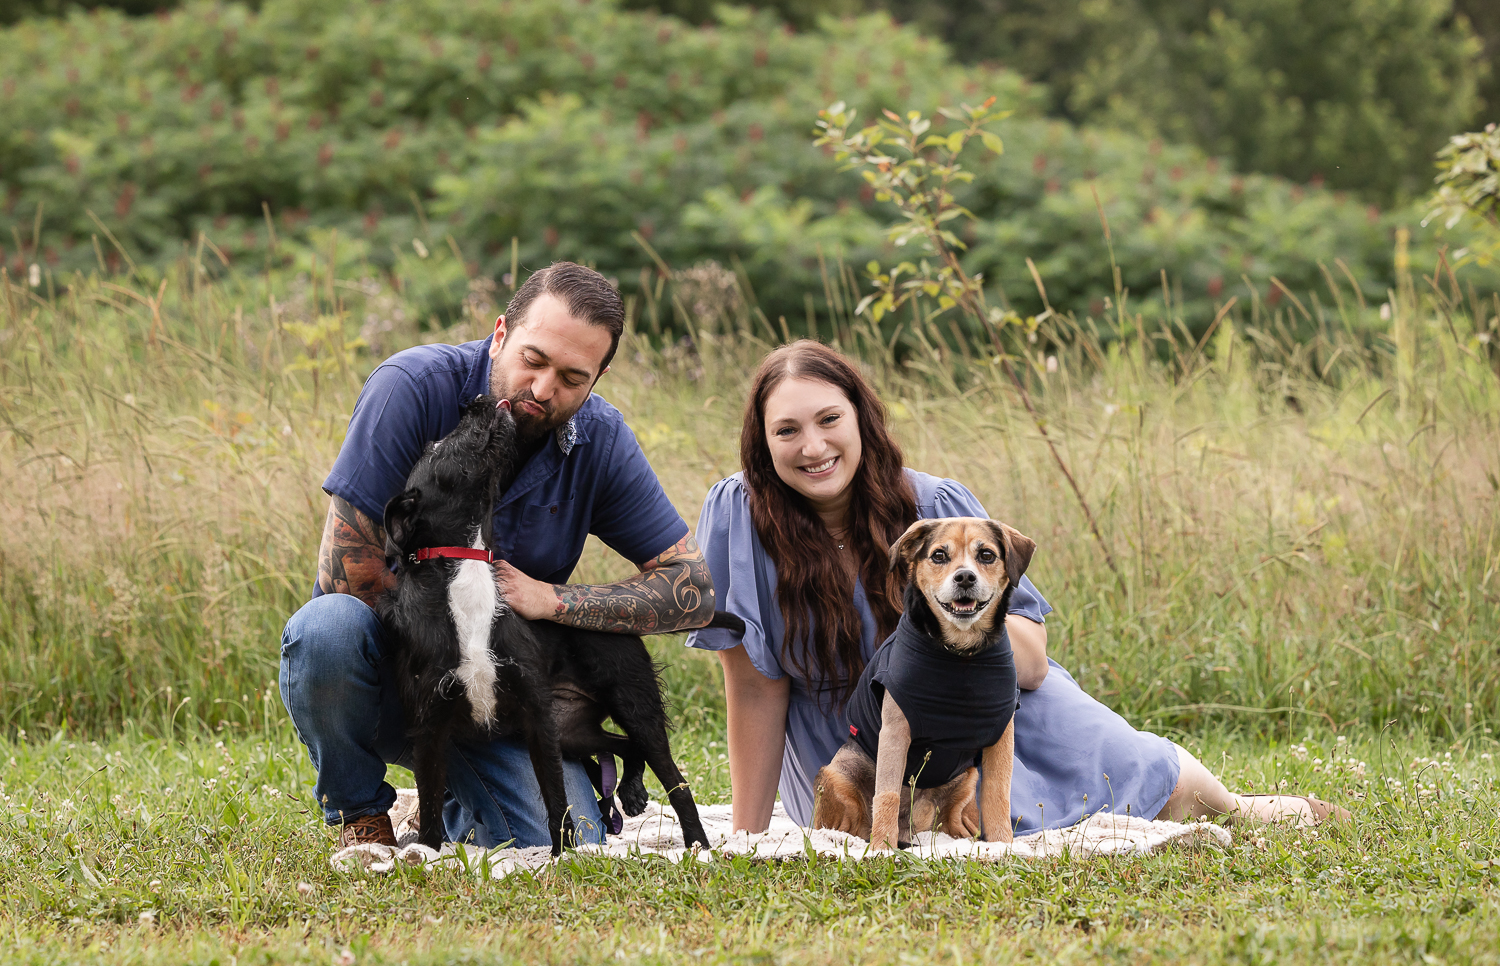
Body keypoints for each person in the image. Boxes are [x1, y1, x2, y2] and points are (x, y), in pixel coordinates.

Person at [688, 339, 1346, 835]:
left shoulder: (937, 507)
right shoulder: (738, 519)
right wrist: (748, 841)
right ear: (761, 441)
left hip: (996, 713)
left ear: (862, 418)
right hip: (861, 743)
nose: (813, 446)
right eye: (787, 430)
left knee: (1172, 792)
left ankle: (1255, 808)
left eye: (829, 419)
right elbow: (752, 687)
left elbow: (1029, 664)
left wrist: (955, 618)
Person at [280, 261, 718, 851]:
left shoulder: (601, 438)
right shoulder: (411, 388)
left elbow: (690, 587)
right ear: (500, 333)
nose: (542, 390)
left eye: (571, 377)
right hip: (399, 680)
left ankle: (453, 807)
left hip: (508, 697)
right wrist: (454, 637)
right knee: (325, 631)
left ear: (599, 376)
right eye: (532, 361)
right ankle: (360, 813)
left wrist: (553, 600)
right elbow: (347, 580)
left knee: (571, 840)